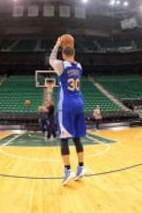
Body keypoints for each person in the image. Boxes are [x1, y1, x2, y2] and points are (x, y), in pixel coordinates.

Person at [49, 36, 86, 185]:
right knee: (76, 138)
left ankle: (67, 170)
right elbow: (71, 59)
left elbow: (51, 59)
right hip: (80, 103)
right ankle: (81, 167)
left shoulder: (61, 65)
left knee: (64, 139)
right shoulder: (79, 66)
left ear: (64, 54)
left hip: (67, 106)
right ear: (74, 53)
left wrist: (57, 43)